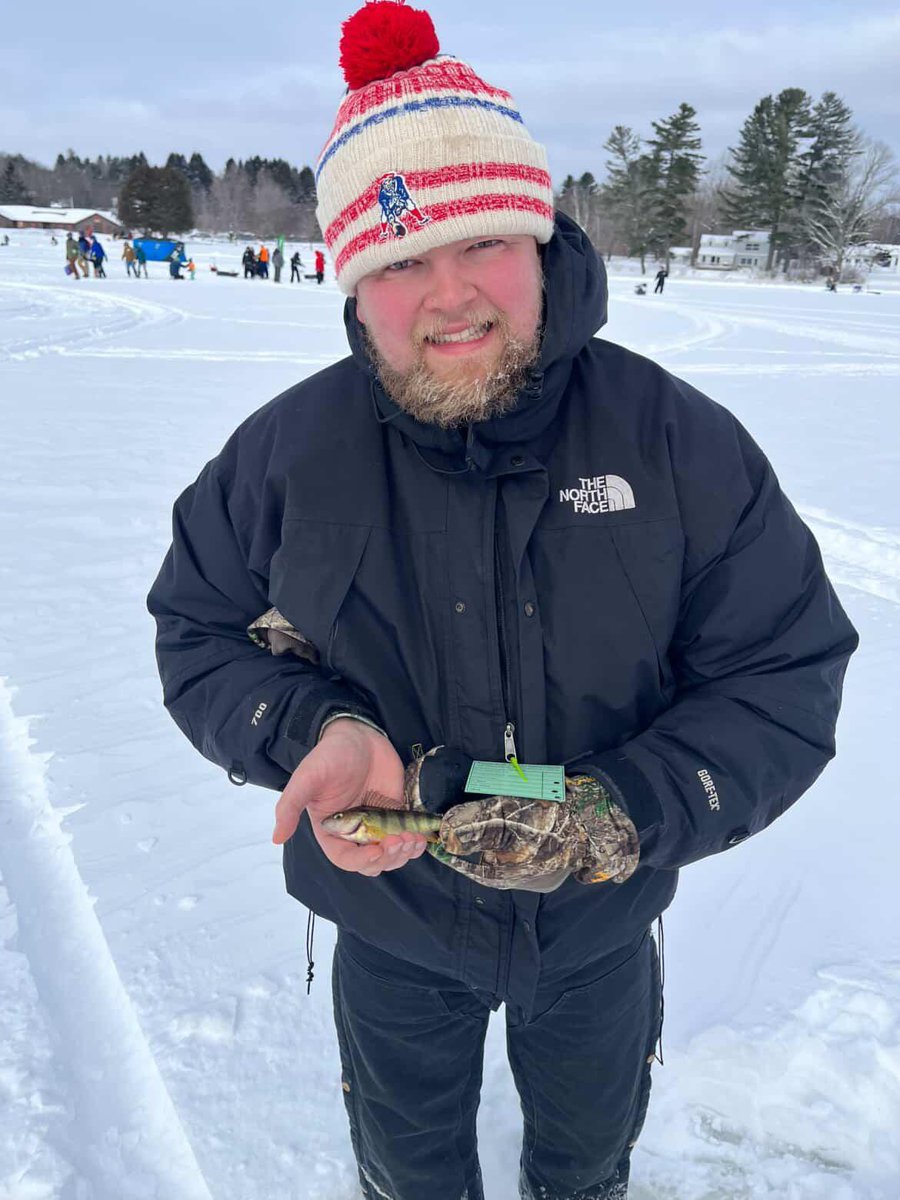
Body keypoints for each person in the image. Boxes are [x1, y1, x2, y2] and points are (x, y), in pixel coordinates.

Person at [147, 5, 857, 1199]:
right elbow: (198, 632)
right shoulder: (285, 456)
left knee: (584, 1167)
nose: (452, 295)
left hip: (600, 928)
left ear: (541, 244)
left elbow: (783, 673)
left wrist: (624, 811)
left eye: (483, 244)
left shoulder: (677, 442)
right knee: (407, 1169)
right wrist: (316, 731)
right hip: (391, 922)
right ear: (354, 282)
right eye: (402, 260)